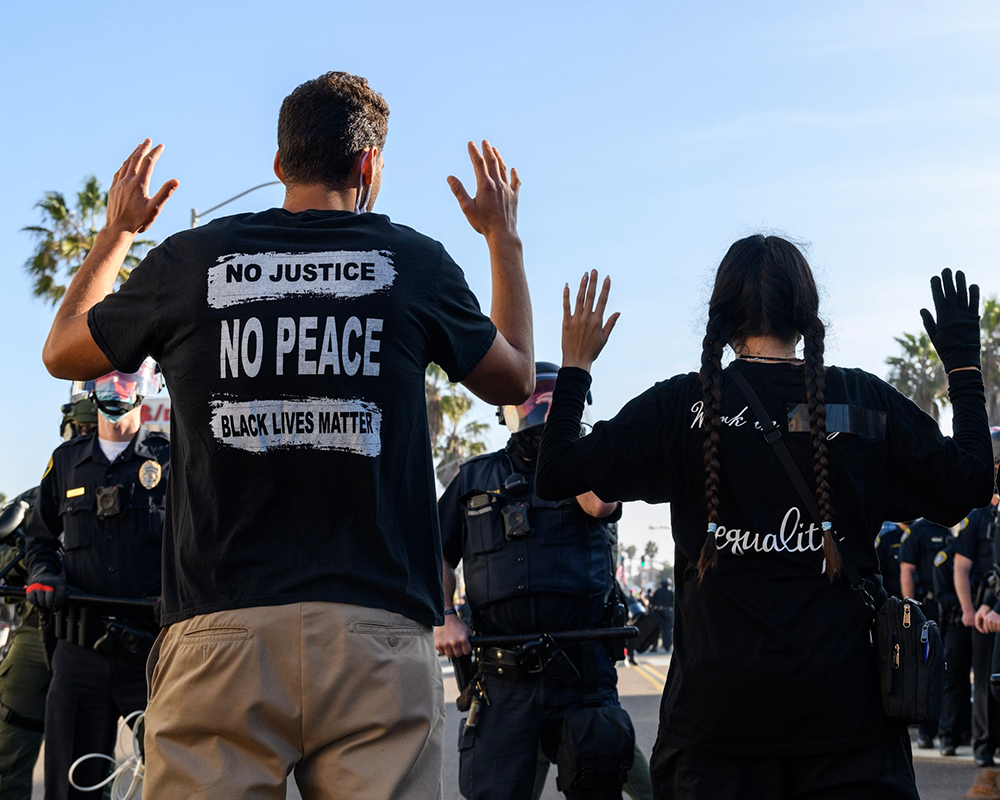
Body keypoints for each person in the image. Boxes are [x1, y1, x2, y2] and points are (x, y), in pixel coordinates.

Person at [39, 71, 534, 799]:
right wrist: (504, 238)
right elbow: (516, 379)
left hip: (219, 633)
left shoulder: (191, 261)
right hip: (375, 633)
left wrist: (117, 232)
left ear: (279, 165)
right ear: (369, 167)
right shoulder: (417, 264)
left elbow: (62, 352)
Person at [536, 243, 994, 800]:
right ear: (805, 311)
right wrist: (964, 368)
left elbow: (556, 472)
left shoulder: (681, 406)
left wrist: (575, 368)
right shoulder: (864, 402)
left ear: (721, 315)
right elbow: (969, 482)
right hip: (849, 730)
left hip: (715, 733)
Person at [435, 361, 638, 799]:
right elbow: (437, 555)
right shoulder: (474, 478)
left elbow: (600, 506)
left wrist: (566, 451)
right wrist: (445, 615)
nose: (537, 417)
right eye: (530, 406)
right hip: (502, 676)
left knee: (599, 777)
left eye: (548, 405)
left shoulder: (591, 468)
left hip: (582, 673)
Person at [25, 362, 167, 800]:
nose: (116, 387)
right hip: (80, 651)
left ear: (146, 385)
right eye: (105, 378)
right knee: (71, 788)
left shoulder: (169, 460)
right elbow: (40, 537)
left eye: (126, 377)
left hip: (152, 655)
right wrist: (43, 572)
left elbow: (197, 542)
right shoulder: (65, 462)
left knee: (181, 779)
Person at [956, 429, 1000, 766]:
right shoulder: (978, 516)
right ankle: (984, 746)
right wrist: (971, 608)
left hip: (993, 604)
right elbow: (961, 566)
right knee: (985, 680)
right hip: (986, 605)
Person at [933, 535, 973, 756]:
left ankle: (969, 730)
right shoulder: (946, 558)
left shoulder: (980, 555)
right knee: (953, 681)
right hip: (956, 624)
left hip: (978, 624)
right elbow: (942, 594)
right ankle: (948, 735)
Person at [874, 521, 908, 600]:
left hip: (923, 598)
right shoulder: (887, 538)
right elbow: (878, 570)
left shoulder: (924, 535)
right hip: (894, 598)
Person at [649, 577, 674, 653]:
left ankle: (654, 646)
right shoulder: (671, 593)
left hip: (659, 613)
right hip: (668, 613)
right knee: (667, 630)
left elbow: (652, 601)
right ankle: (667, 646)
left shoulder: (658, 592)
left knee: (656, 630)